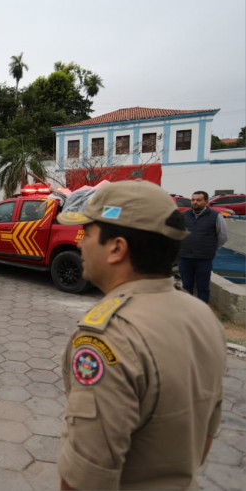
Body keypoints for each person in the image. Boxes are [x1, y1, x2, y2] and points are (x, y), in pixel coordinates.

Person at [55, 180, 226, 490]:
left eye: (88, 233)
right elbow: (204, 442)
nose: (79, 242)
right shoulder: (203, 317)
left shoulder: (108, 339)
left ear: (117, 248)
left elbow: (86, 478)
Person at [178, 190, 228, 303]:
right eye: (193, 200)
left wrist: (210, 247)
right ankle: (188, 311)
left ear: (206, 201)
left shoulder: (216, 216)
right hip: (185, 258)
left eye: (199, 200)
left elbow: (223, 237)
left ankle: (203, 313)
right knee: (186, 286)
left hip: (203, 259)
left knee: (203, 288)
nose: (195, 202)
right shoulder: (184, 216)